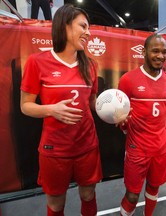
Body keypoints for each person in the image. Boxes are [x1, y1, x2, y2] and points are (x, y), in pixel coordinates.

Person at [20, 4, 102, 216]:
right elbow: (25, 106)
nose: (88, 32)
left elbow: (92, 102)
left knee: (88, 195)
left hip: (87, 145)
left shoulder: (91, 65)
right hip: (54, 150)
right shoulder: (37, 62)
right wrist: (52, 110)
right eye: (82, 26)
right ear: (64, 27)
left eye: (89, 27)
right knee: (56, 205)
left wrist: (113, 109)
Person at [118, 34, 166, 216]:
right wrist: (122, 123)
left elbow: (165, 112)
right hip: (137, 149)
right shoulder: (128, 79)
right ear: (144, 52)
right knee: (133, 195)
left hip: (161, 148)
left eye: (164, 52)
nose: (160, 56)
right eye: (155, 51)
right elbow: (121, 114)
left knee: (154, 187)